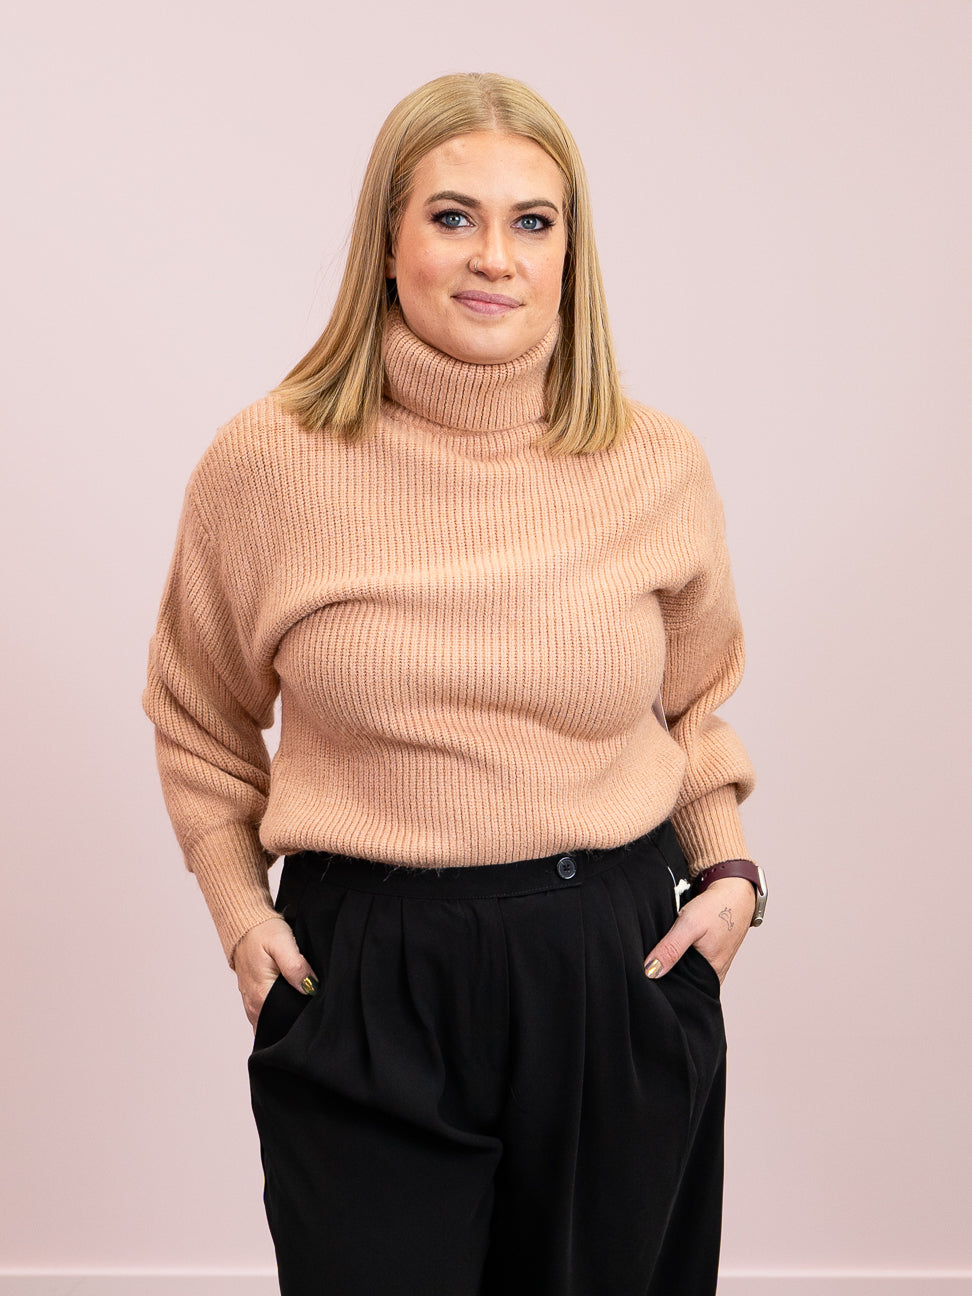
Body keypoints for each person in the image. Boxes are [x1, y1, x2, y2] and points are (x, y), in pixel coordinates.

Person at [143, 71, 765, 1296]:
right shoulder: (267, 462)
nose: (495, 257)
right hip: (368, 972)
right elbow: (198, 717)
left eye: (533, 221)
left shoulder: (654, 464)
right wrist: (240, 915)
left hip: (610, 968)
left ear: (571, 253)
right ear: (387, 241)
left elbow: (694, 702)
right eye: (451, 216)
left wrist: (731, 872)